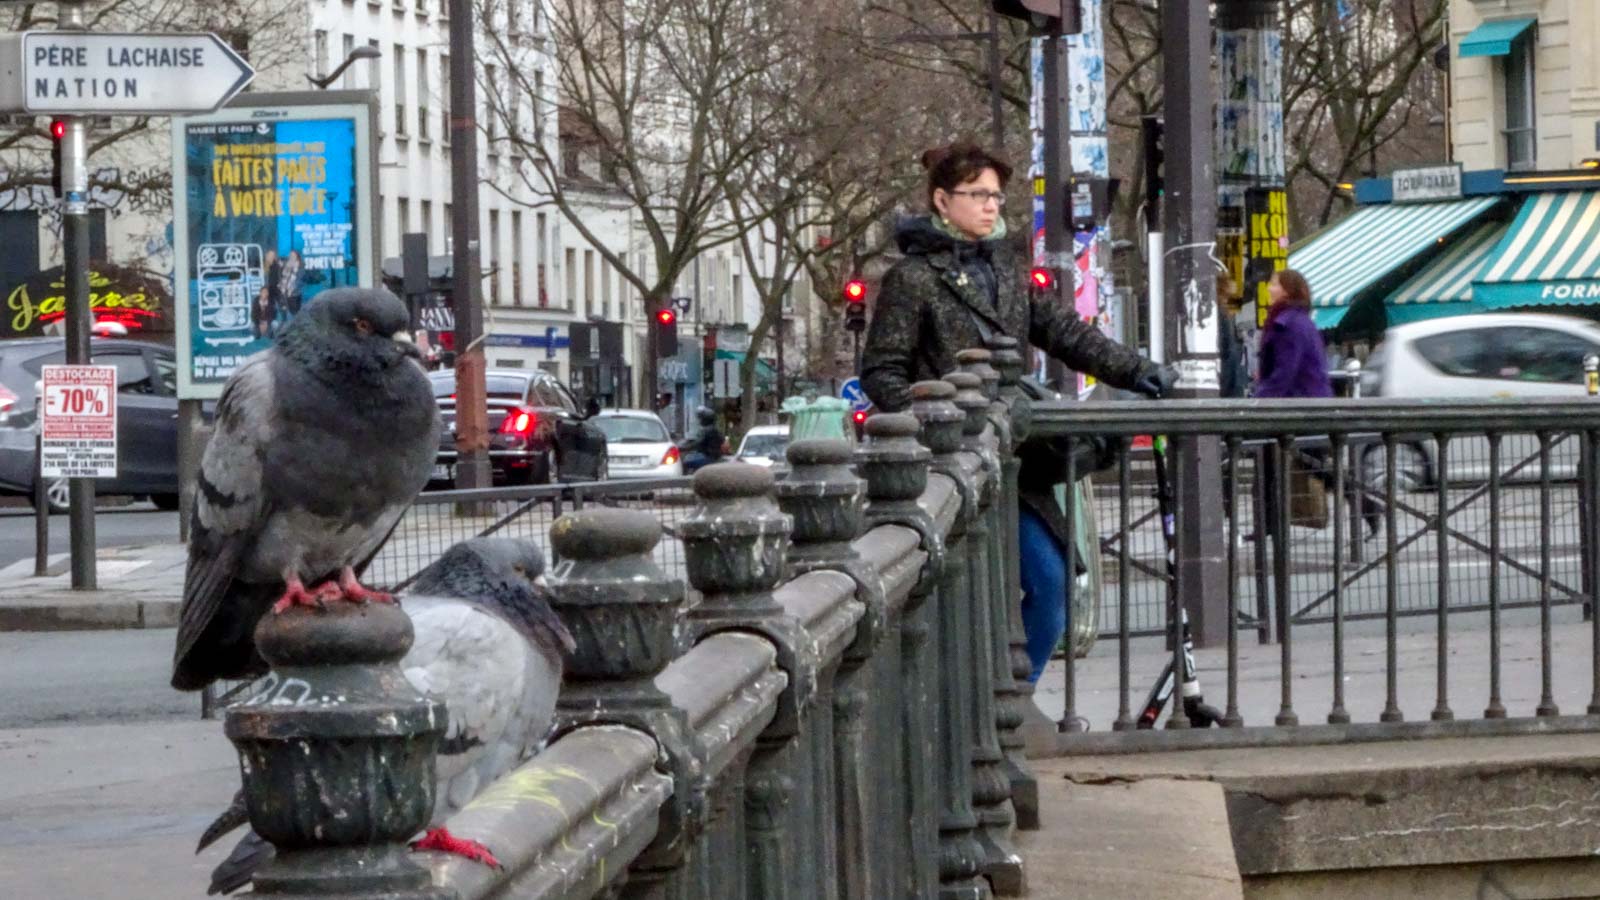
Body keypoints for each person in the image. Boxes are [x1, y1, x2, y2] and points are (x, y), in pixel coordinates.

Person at [860, 140, 1170, 685]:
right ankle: (984, 705)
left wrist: (1139, 371)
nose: (991, 205)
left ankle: (1012, 699)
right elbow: (882, 373)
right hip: (949, 471)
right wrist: (937, 418)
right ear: (941, 200)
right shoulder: (912, 278)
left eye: (996, 196)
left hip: (1015, 465)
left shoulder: (1004, 265)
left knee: (1052, 587)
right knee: (968, 603)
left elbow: (1063, 332)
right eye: (977, 194)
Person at [680, 408, 728, 474]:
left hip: (708, 457)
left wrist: (683, 448)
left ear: (705, 419)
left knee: (686, 461)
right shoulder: (714, 429)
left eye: (701, 419)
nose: (700, 421)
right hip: (712, 456)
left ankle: (686, 478)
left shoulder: (707, 430)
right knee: (690, 457)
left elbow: (698, 443)